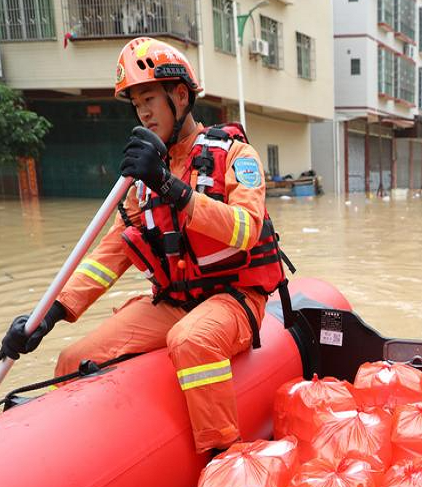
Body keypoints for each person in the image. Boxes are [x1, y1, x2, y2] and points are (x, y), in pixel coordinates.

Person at [0, 37, 291, 455]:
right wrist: (50, 315)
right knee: (72, 357)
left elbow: (246, 229)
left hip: (234, 299)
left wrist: (172, 188)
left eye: (150, 98)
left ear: (179, 95)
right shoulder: (144, 178)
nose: (144, 113)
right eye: (137, 104)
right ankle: (79, 455)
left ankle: (223, 456)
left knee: (192, 340)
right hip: (174, 301)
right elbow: (112, 253)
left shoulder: (236, 155)